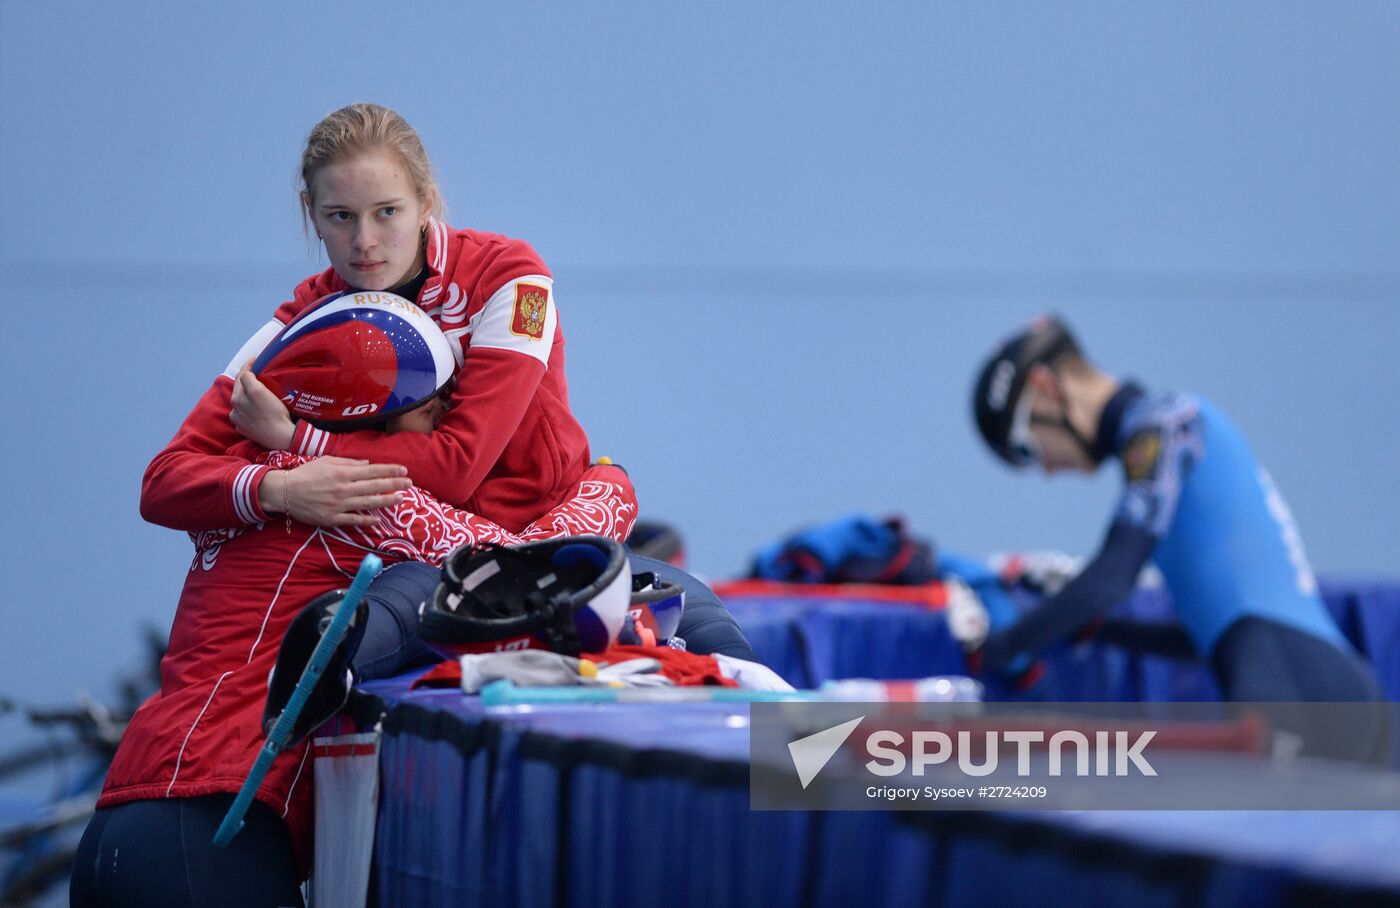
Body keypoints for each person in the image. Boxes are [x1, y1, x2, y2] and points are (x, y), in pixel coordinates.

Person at [137, 101, 754, 662]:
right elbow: (165, 480)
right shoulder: (298, 325)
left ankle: (839, 783)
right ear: (312, 216)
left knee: (727, 653)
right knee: (340, 655)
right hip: (421, 571)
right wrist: (278, 488)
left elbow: (458, 464)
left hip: (556, 546)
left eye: (387, 212)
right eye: (340, 217)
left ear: (426, 200)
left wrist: (301, 443)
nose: (365, 242)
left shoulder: (511, 279)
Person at [72, 304, 639, 907]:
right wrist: (609, 480)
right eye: (434, 405)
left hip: (124, 812)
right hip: (215, 822)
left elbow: (166, 478)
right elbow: (529, 564)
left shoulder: (247, 478)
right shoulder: (351, 493)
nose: (451, 417)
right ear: (372, 422)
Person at [967, 314, 1385, 759]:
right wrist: (1103, 630)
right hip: (1324, 682)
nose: (1047, 471)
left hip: (1291, 680)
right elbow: (1210, 632)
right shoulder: (1176, 428)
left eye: (1027, 448)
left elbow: (1112, 577)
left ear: (1046, 387)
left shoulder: (1164, 423)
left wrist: (996, 647)